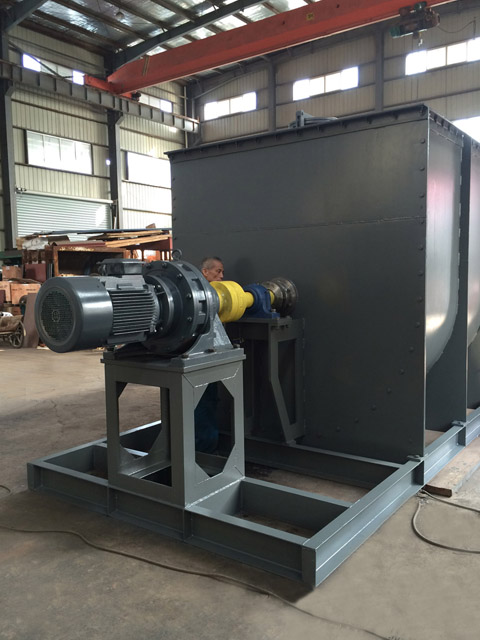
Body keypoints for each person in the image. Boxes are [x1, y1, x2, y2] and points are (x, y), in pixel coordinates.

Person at [195, 257, 224, 453]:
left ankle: (205, 445)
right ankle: (204, 449)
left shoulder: (212, 295)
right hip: (199, 360)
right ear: (205, 272)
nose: (221, 276)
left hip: (208, 357)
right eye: (218, 271)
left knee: (209, 401)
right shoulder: (199, 296)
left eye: (222, 272)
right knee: (202, 404)